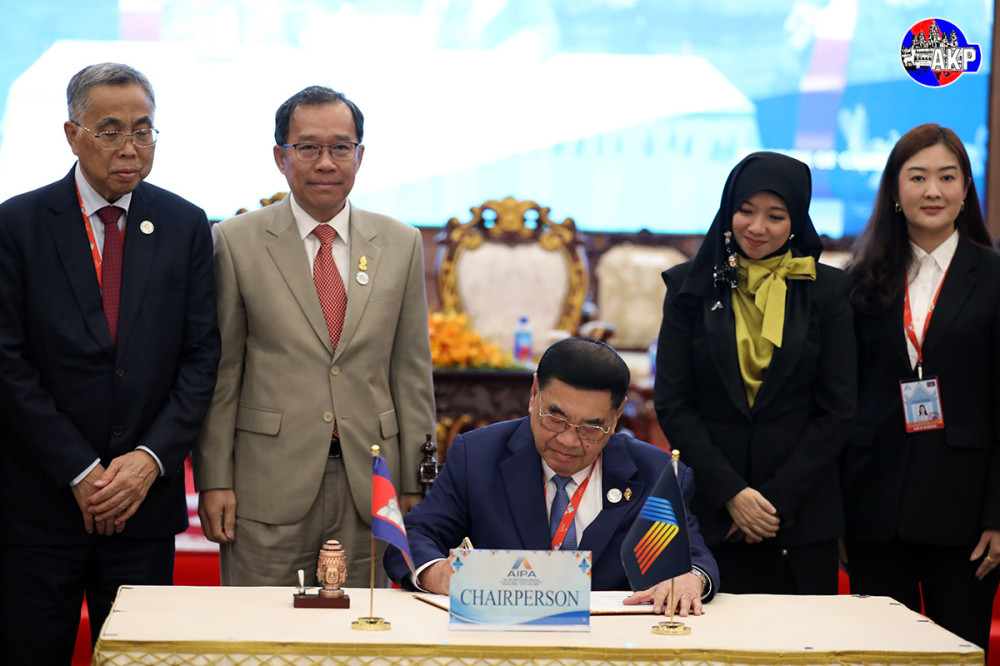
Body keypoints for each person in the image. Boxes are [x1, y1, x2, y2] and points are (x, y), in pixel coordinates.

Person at [0, 62, 220, 662]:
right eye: (111, 131)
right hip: (39, 506)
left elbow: (202, 357)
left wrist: (149, 460)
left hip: (142, 507)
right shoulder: (18, 224)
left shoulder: (185, 224)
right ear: (72, 135)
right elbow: (8, 363)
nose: (130, 147)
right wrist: (79, 471)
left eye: (143, 130)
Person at [194, 85, 435, 588]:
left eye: (340, 147)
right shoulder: (235, 241)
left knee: (364, 624)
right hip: (267, 483)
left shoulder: (401, 243)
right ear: (280, 156)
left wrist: (416, 479)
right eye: (308, 147)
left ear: (359, 156)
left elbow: (411, 370)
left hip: (372, 485)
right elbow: (222, 373)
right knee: (259, 626)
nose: (326, 162)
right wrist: (214, 478)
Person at [384, 338, 720, 615]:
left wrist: (691, 579)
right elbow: (413, 536)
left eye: (591, 427)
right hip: (504, 636)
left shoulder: (655, 473)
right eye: (555, 419)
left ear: (617, 416)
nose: (568, 440)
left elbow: (694, 558)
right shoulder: (478, 456)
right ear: (534, 395)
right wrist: (439, 574)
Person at [653, 152, 856, 595]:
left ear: (796, 220)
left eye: (775, 216)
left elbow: (838, 410)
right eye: (746, 210)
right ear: (729, 210)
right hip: (712, 513)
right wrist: (731, 494)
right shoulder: (688, 287)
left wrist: (771, 503)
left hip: (801, 515)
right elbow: (673, 403)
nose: (757, 227)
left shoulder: (829, 291)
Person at [842, 123, 1000, 653]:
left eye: (947, 177)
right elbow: (842, 401)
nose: (933, 191)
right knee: (878, 656)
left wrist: (999, 516)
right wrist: (838, 514)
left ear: (965, 189)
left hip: (966, 516)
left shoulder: (993, 276)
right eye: (917, 177)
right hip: (873, 508)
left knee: (959, 652)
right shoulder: (859, 278)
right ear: (894, 189)